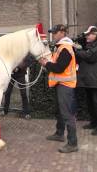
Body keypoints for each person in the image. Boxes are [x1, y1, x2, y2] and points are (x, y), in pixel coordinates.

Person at [39, 24, 78, 153]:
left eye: (55, 33)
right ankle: (59, 133)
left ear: (62, 32)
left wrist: (46, 63)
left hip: (65, 86)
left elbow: (59, 68)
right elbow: (56, 65)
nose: (53, 35)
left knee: (67, 114)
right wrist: (48, 63)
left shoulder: (65, 48)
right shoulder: (60, 47)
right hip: (61, 85)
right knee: (61, 112)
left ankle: (72, 144)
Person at [76, 26, 97, 135]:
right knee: (90, 103)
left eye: (89, 34)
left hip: (95, 80)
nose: (86, 37)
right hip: (90, 79)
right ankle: (94, 123)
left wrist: (76, 49)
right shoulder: (92, 45)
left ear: (95, 35)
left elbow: (89, 56)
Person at [3, 54, 34, 119]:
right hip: (11, 74)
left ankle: (26, 112)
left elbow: (29, 60)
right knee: (7, 92)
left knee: (23, 93)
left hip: (21, 74)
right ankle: (4, 110)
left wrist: (18, 67)